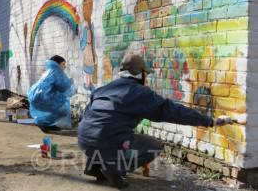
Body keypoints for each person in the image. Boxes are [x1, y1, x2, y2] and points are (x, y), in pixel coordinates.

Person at [78, 53, 234, 189]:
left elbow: (89, 116)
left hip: (83, 139)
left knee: (102, 134)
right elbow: (174, 111)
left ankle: (94, 166)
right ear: (140, 74)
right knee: (154, 146)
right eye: (146, 74)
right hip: (107, 139)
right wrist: (209, 121)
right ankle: (113, 168)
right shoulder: (139, 93)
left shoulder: (104, 89)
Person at [28, 55, 75, 132]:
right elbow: (63, 88)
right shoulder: (56, 72)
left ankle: (48, 124)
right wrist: (70, 83)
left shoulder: (49, 71)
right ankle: (43, 124)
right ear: (57, 64)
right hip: (42, 98)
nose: (65, 66)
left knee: (55, 109)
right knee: (62, 109)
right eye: (63, 64)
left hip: (36, 97)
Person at [80, 0, 97, 91]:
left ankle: (88, 84)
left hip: (88, 48)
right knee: (88, 67)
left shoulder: (87, 24)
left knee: (89, 66)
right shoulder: (87, 24)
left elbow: (86, 38)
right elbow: (85, 38)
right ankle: (88, 84)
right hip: (88, 48)